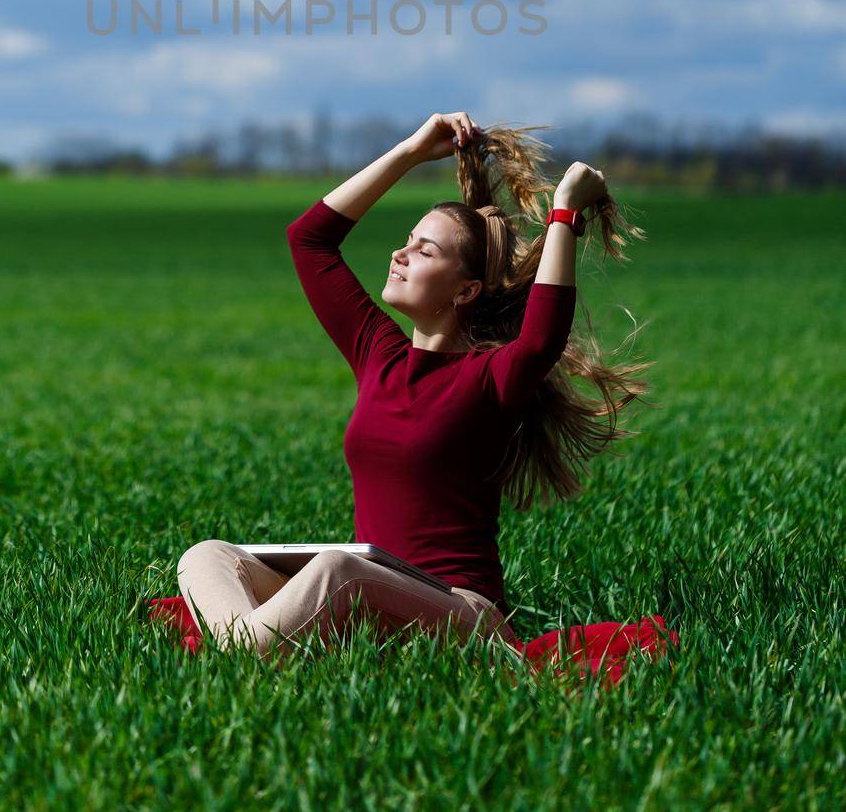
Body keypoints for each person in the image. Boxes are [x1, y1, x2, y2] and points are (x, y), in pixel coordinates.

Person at [177, 112, 650, 662]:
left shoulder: (491, 377)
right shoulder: (379, 354)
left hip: (462, 613)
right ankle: (255, 644)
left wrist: (565, 211)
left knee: (337, 570)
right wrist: (408, 151)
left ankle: (240, 649)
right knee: (207, 555)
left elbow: (543, 335)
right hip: (369, 597)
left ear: (466, 290)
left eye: (425, 251)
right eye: (407, 241)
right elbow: (308, 240)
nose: (399, 255)